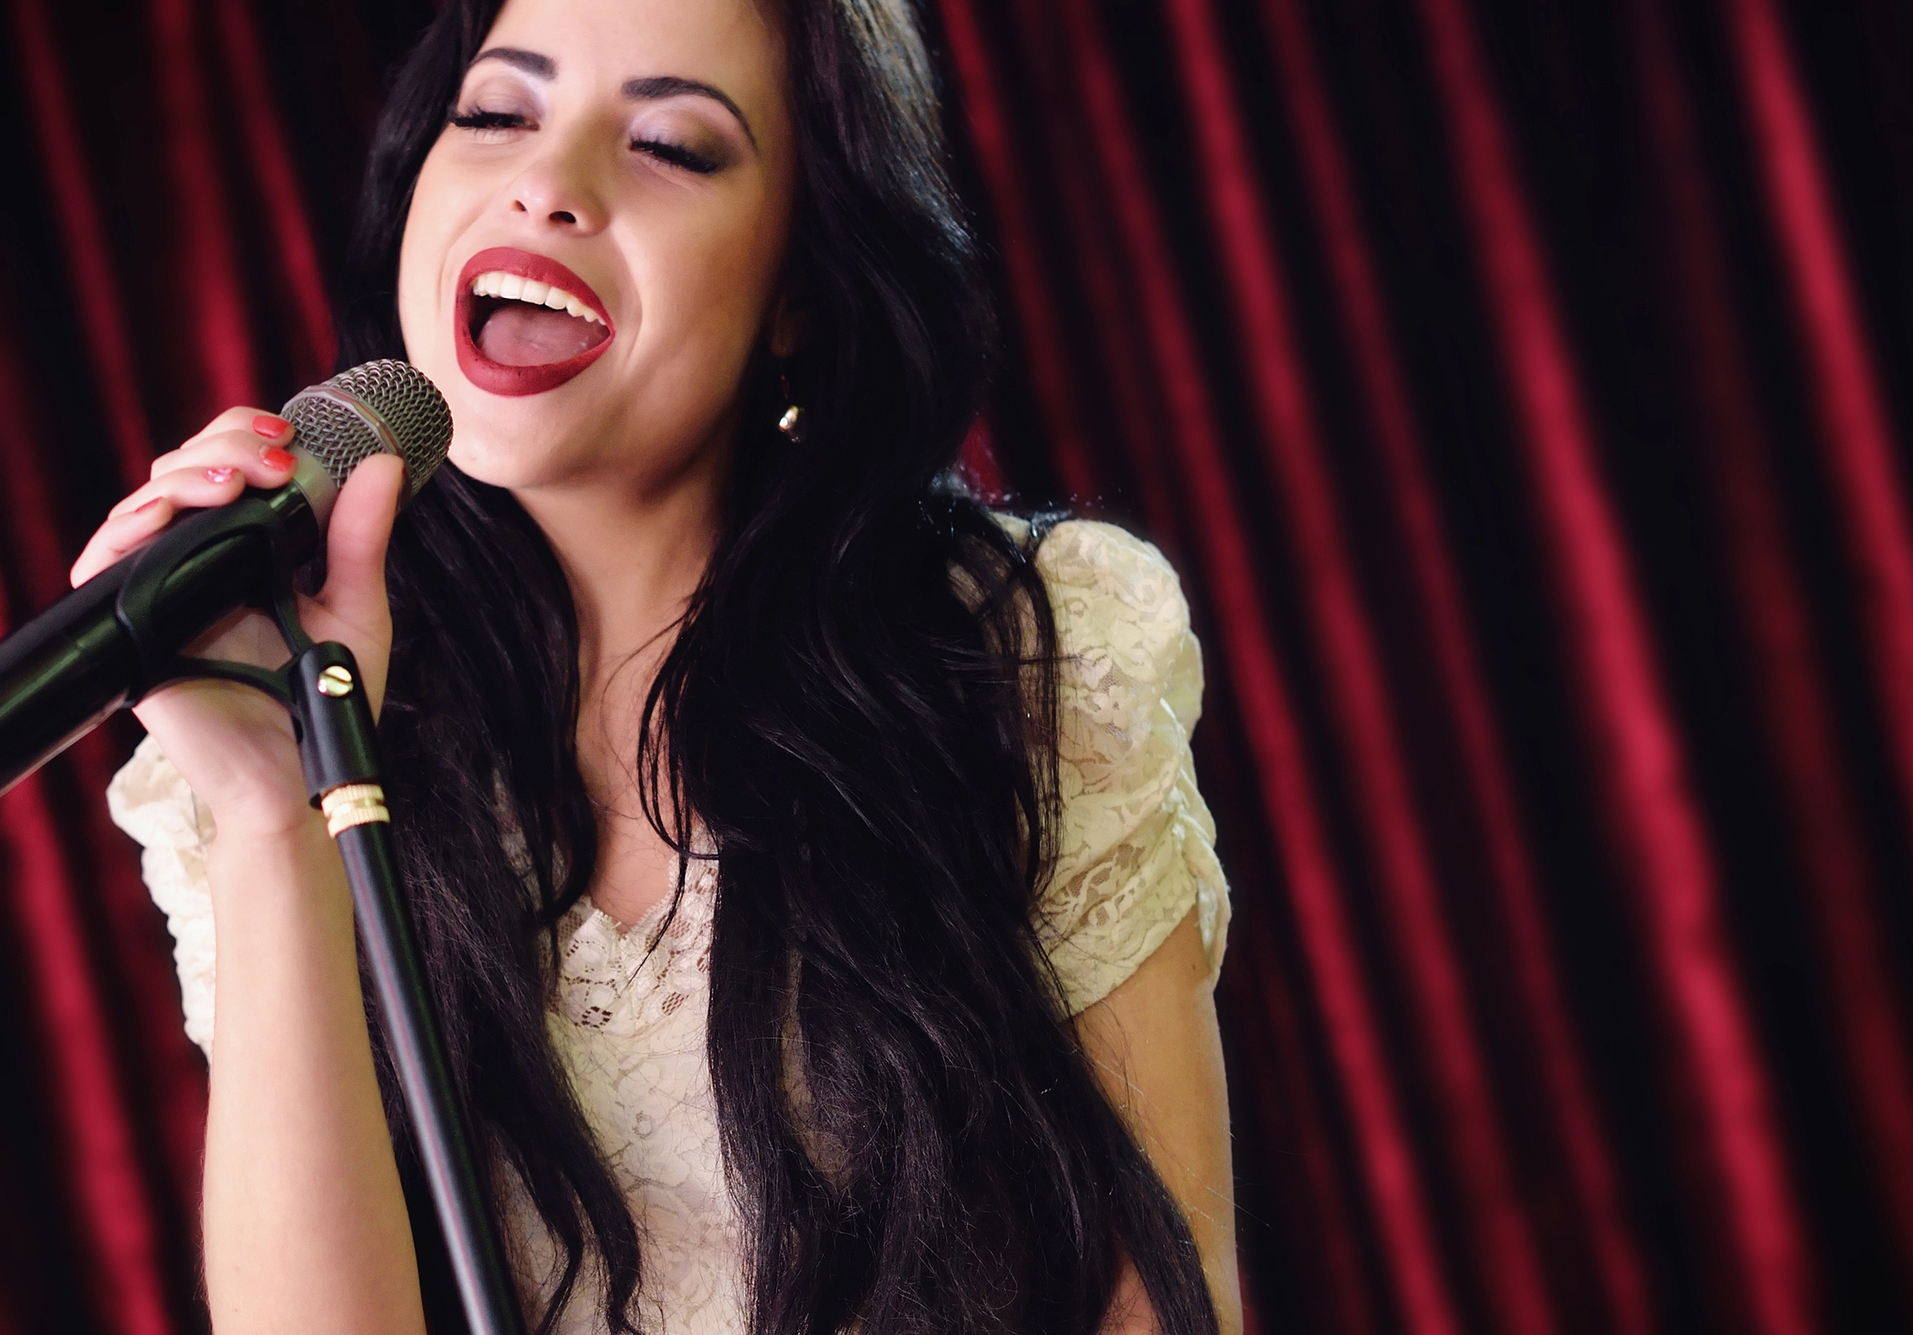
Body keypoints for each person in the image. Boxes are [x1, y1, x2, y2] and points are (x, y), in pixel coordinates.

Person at [82, 0, 1236, 1331]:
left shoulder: (1027, 651)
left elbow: (1167, 1292)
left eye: (672, 146)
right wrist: (274, 815)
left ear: (799, 284)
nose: (546, 183)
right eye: (500, 113)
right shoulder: (273, 745)